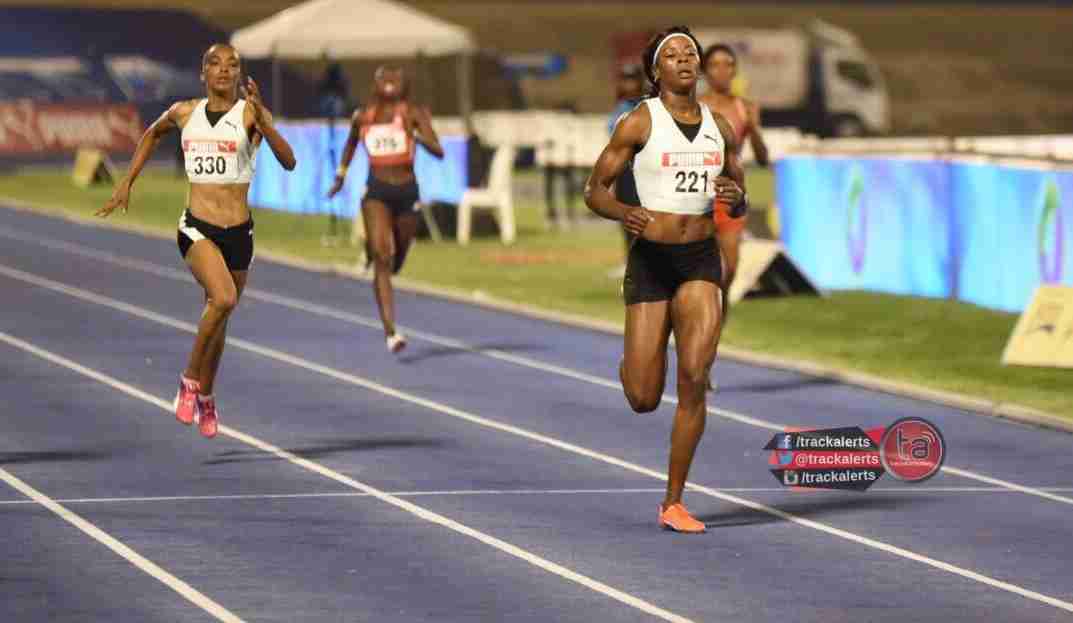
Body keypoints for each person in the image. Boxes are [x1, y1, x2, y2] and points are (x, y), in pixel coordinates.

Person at [584, 27, 747, 533]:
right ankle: (638, 358)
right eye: (672, 55)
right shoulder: (640, 121)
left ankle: (673, 501)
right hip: (652, 259)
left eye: (690, 53)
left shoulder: (720, 126)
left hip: (700, 258)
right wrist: (623, 211)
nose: (684, 60)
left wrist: (733, 195)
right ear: (656, 71)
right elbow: (593, 190)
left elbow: (739, 192)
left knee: (695, 378)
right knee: (643, 397)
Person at [96, 43, 297, 438]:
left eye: (232, 65)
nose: (223, 70)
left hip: (239, 233)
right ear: (203, 73)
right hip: (197, 228)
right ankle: (189, 380)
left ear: (239, 74)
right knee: (223, 298)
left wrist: (265, 123)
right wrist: (127, 180)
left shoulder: (252, 114)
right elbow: (152, 135)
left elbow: (289, 161)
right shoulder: (184, 112)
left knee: (220, 318)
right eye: (215, 64)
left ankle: (207, 396)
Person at [328, 66, 444, 354]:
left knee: (396, 261)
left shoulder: (413, 114)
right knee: (383, 257)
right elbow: (351, 144)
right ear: (375, 84)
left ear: (405, 85)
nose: (390, 82)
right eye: (384, 77)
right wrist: (341, 176)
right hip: (376, 191)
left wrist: (415, 136)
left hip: (407, 193)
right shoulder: (363, 116)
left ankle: (375, 257)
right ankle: (391, 332)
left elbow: (439, 150)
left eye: (396, 77)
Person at [699, 43, 770, 390]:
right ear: (706, 71)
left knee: (724, 281)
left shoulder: (745, 108)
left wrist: (754, 129)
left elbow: (763, 157)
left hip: (729, 202)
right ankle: (687, 341)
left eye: (729, 64)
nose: (723, 70)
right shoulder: (692, 106)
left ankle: (706, 358)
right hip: (693, 198)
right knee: (691, 281)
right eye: (715, 64)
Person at [606, 63, 646, 279]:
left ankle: (644, 265)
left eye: (632, 80)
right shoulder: (620, 108)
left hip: (644, 171)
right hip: (625, 173)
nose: (629, 85)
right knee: (627, 219)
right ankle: (630, 263)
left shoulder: (648, 106)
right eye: (625, 80)